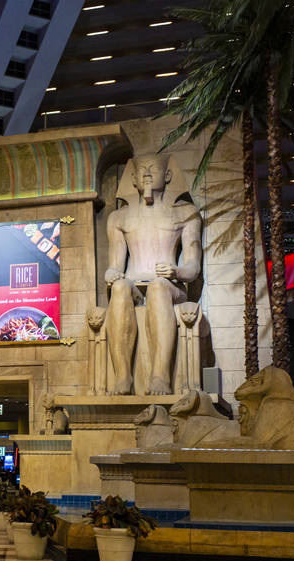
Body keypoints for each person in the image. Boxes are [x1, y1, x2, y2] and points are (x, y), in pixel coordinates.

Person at [104, 154, 202, 395]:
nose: (147, 174)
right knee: (119, 289)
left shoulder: (185, 213)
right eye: (142, 171)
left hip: (171, 285)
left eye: (154, 169)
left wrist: (177, 270)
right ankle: (123, 375)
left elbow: (193, 266)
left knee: (158, 286)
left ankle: (160, 375)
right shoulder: (119, 217)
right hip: (134, 283)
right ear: (134, 180)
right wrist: (112, 273)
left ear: (168, 176)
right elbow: (115, 264)